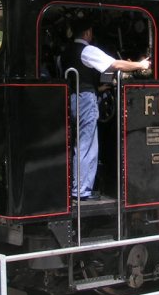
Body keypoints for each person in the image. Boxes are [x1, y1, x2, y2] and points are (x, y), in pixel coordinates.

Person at [61, 17, 150, 200]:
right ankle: (81, 190)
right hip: (85, 99)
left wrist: (100, 88)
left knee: (77, 144)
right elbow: (115, 64)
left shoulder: (65, 52)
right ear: (87, 33)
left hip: (70, 98)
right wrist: (140, 65)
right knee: (87, 145)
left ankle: (76, 187)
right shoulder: (87, 50)